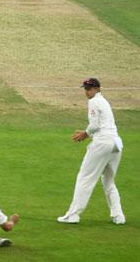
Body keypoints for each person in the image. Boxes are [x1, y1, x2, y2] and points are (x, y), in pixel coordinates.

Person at [57, 78, 125, 225]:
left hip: (102, 143)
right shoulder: (104, 101)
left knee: (85, 178)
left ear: (97, 89)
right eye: (86, 89)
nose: (87, 92)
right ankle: (118, 216)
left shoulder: (94, 101)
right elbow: (102, 125)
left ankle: (73, 215)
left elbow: (94, 125)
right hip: (116, 143)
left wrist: (85, 134)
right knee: (108, 181)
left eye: (89, 89)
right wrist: (88, 133)